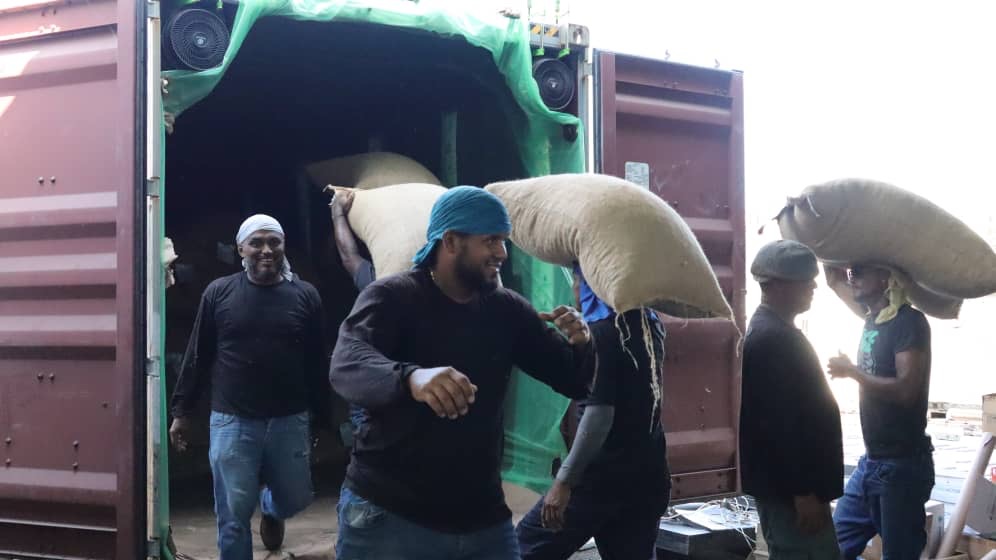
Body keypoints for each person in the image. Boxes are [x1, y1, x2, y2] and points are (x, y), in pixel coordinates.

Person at [329, 186, 595, 560]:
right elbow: (346, 363)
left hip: (482, 520)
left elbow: (573, 380)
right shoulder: (393, 296)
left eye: (503, 241)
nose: (502, 253)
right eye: (490, 241)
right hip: (391, 514)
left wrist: (582, 344)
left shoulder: (506, 310)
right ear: (451, 241)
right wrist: (411, 378)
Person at [168, 214, 330, 559]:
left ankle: (271, 507)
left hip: (289, 419)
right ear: (241, 248)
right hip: (232, 421)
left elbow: (317, 361)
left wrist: (323, 418)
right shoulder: (219, 293)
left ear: (283, 246)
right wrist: (181, 411)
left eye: (274, 242)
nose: (266, 250)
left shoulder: (305, 296)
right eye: (256, 243)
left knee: (295, 498)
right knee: (232, 517)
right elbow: (198, 355)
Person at [515, 265, 670, 560]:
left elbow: (600, 415)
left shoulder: (603, 331)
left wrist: (563, 482)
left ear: (590, 285)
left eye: (577, 281)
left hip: (599, 479)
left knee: (522, 549)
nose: (574, 290)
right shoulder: (650, 324)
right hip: (648, 477)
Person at [739, 240, 843, 559]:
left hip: (798, 491)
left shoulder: (776, 332)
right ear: (777, 285)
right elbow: (779, 426)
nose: (814, 286)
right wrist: (802, 493)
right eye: (804, 279)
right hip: (793, 495)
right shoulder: (773, 340)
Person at [826, 263, 934, 559]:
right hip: (871, 463)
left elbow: (906, 391)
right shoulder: (873, 318)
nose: (853, 278)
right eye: (852, 272)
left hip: (901, 468)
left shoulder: (908, 322)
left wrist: (852, 372)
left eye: (860, 271)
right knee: (831, 548)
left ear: (886, 277)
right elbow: (834, 278)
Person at [328, 189, 376, 437]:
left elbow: (349, 256)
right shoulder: (379, 278)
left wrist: (337, 214)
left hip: (372, 384)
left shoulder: (379, 280)